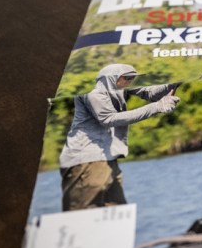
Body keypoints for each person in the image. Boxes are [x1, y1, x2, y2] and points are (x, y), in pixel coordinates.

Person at [59, 64, 180, 211]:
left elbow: (150, 93)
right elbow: (109, 119)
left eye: (132, 78)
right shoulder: (92, 93)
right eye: (127, 78)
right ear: (111, 78)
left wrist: (176, 80)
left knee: (117, 211)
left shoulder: (119, 87)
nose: (130, 81)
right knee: (81, 213)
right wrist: (156, 107)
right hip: (85, 159)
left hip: (106, 158)